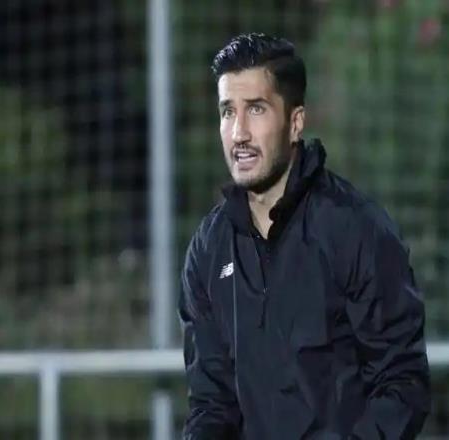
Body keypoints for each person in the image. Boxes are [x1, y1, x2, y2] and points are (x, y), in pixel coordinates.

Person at [178, 33, 431, 440]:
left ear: (295, 123)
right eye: (227, 111)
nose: (238, 132)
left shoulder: (356, 229)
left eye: (256, 109)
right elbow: (211, 404)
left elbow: (402, 385)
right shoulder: (208, 250)